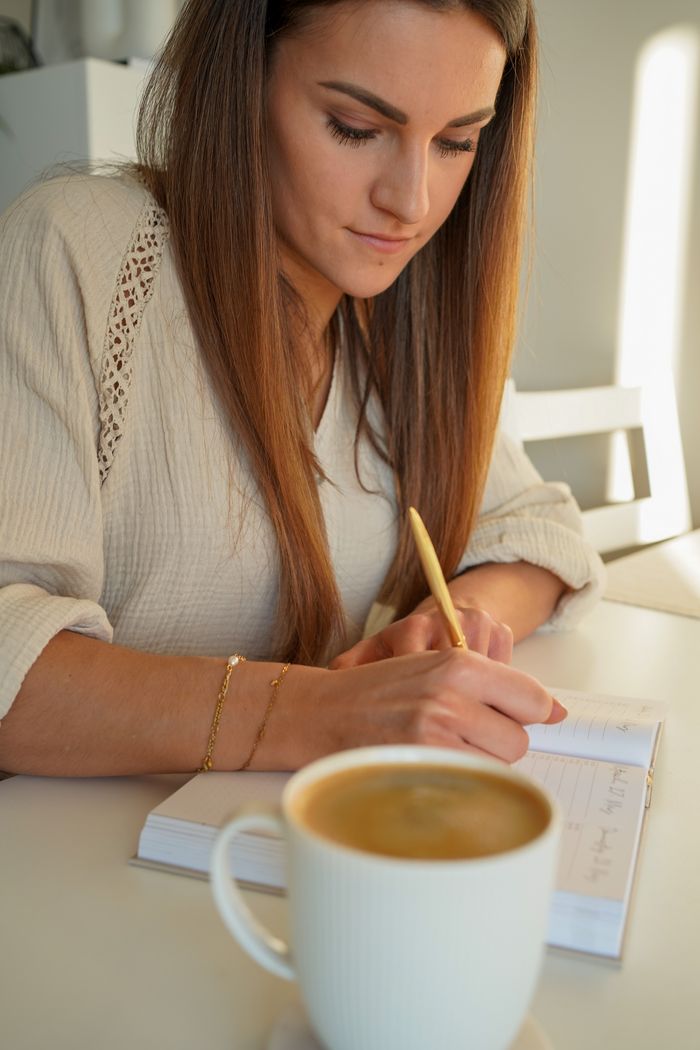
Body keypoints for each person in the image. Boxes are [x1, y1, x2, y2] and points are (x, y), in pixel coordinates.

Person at [0, 0, 604, 777]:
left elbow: (543, 531)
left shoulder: (392, 326)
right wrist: (324, 712)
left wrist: (457, 623)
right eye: (355, 128)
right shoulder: (77, 253)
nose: (412, 203)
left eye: (457, 141)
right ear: (242, 82)